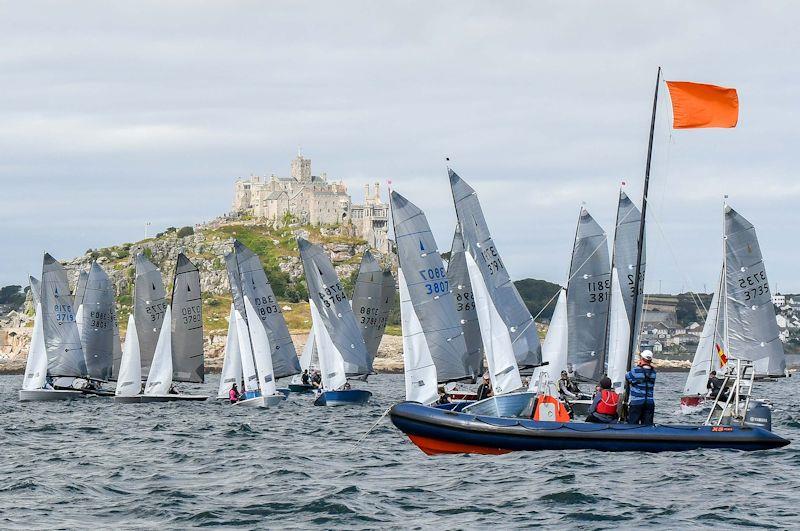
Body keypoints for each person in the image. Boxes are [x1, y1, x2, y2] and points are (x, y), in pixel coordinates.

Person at [626, 350, 657, 425]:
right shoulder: (653, 373)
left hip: (637, 402)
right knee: (647, 426)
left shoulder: (636, 370)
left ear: (642, 359)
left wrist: (638, 366)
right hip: (649, 402)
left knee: (632, 425)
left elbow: (627, 376)